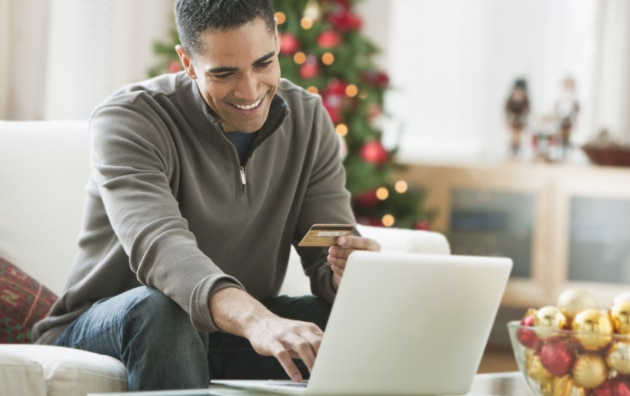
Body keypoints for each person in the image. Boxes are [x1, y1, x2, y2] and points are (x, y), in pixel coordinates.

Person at [32, 0, 380, 391]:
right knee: (163, 308)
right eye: (225, 73)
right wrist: (256, 319)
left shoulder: (308, 119)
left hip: (225, 333)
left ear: (278, 42)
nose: (250, 90)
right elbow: (161, 247)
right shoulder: (129, 119)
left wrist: (344, 271)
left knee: (358, 322)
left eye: (263, 63)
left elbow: (325, 245)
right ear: (187, 62)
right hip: (115, 324)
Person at [504, 78, 530, 158]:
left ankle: (517, 152)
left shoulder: (524, 100)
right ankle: (511, 151)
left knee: (518, 136)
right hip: (513, 119)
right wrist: (508, 118)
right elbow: (507, 109)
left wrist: (524, 116)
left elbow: (527, 110)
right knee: (513, 136)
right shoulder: (511, 99)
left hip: (520, 120)